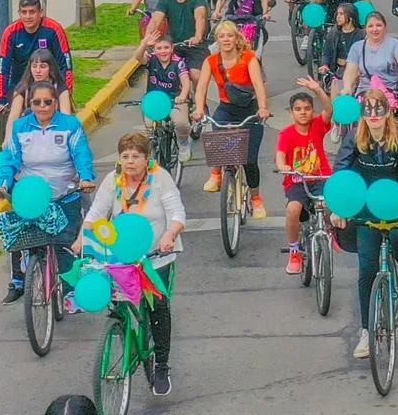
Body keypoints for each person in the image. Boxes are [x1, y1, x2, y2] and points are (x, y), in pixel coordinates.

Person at [74, 132, 185, 396]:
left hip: (156, 256)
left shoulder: (160, 179)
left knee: (157, 306)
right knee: (117, 300)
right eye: (125, 156)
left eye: (136, 156)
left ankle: (161, 365)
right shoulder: (113, 181)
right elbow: (96, 212)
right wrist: (82, 236)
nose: (130, 161)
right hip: (120, 255)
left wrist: (170, 234)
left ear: (147, 159)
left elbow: (177, 212)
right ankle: (120, 325)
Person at [330, 87, 398, 360]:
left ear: (388, 111)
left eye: (378, 110)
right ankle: (366, 332)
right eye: (367, 110)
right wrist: (339, 208)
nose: (373, 116)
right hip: (366, 202)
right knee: (366, 268)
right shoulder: (354, 136)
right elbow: (342, 170)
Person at [0, 81, 94, 305]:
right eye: (36, 102)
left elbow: (82, 154)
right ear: (30, 104)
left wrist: (85, 177)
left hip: (64, 194)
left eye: (47, 102)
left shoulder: (71, 125)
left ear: (56, 103)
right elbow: (10, 160)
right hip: (32, 198)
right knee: (29, 242)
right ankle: (30, 271)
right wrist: (2, 184)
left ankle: (69, 293)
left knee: (63, 248)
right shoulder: (20, 127)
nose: (42, 107)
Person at [193, 20, 272, 202]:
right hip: (226, 108)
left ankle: (255, 199)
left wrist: (262, 108)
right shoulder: (211, 61)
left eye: (230, 35)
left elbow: (259, 84)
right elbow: (201, 87)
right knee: (217, 135)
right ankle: (216, 173)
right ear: (217, 41)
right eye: (222, 36)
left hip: (249, 110)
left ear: (237, 39)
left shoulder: (249, 58)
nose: (226, 39)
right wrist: (199, 109)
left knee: (249, 160)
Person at [0, 0, 73, 145]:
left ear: (40, 12)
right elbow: (2, 68)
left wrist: (65, 92)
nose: (28, 16)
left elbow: (66, 66)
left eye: (32, 12)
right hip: (20, 84)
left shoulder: (54, 29)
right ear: (19, 13)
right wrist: (0, 100)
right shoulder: (10, 33)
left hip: (50, 85)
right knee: (16, 120)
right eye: (24, 12)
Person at [276, 77, 334, 274]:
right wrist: (283, 165)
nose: (303, 112)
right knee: (293, 210)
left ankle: (331, 232)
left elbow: (329, 110)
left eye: (307, 108)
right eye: (298, 109)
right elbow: (280, 154)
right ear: (291, 113)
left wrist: (318, 90)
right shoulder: (286, 133)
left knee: (329, 206)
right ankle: (294, 249)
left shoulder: (318, 125)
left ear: (313, 112)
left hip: (320, 178)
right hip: (297, 182)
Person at [342, 11, 398, 132]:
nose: (374, 29)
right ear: (366, 29)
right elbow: (350, 70)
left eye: (378, 25)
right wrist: (347, 87)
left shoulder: (395, 45)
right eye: (370, 26)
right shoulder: (357, 47)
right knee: (352, 133)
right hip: (366, 95)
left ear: (385, 27)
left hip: (393, 96)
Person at [134, 30, 192, 162]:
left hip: (174, 100)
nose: (163, 51)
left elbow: (185, 81)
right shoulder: (151, 60)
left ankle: (183, 143)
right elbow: (138, 57)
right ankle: (147, 156)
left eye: (166, 47)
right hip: (155, 100)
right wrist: (144, 44)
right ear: (154, 50)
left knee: (181, 123)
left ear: (172, 48)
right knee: (149, 127)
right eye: (159, 48)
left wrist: (182, 96)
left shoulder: (178, 63)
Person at [1, 48, 73, 152]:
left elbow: (67, 118)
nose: (37, 70)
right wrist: (8, 139)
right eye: (34, 66)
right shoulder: (22, 89)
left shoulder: (60, 88)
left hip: (54, 134)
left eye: (43, 66)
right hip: (28, 136)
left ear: (50, 68)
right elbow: (13, 117)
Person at [147, 0, 210, 86]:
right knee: (166, 72)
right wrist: (147, 38)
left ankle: (200, 102)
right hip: (175, 46)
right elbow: (155, 20)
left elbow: (200, 17)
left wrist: (197, 37)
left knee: (196, 75)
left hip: (195, 46)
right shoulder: (166, 0)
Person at [319, 3, 365, 81]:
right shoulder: (333, 33)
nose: (338, 17)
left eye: (341, 14)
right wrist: (325, 65)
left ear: (350, 16)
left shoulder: (361, 34)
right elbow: (326, 52)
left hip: (356, 73)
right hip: (337, 71)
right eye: (337, 14)